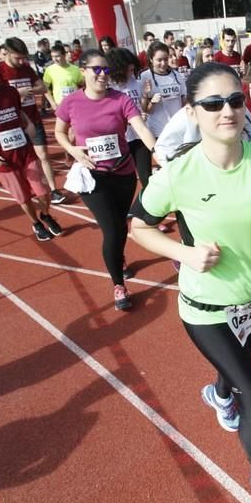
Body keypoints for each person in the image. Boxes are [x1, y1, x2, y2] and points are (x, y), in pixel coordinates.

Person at [129, 61, 251, 503]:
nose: (228, 111)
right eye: (214, 103)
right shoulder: (178, 173)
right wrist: (182, 253)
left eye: (236, 100)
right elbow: (138, 226)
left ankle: (220, 393)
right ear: (192, 112)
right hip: (207, 310)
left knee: (238, 369)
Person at [55, 49, 157, 310]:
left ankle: (118, 256)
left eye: (106, 70)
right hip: (92, 177)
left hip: (123, 173)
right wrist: (73, 149)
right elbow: (59, 132)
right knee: (111, 229)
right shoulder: (72, 102)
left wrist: (158, 153)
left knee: (121, 227)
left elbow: (141, 128)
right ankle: (118, 285)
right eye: (96, 69)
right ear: (84, 71)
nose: (102, 75)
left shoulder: (120, 99)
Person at [0, 49, 62, 242]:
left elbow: (18, 112)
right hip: (2, 159)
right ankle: (36, 223)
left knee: (43, 192)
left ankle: (46, 214)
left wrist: (29, 124)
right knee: (23, 198)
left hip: (25, 152)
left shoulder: (9, 92)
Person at [0, 37, 64, 204]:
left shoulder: (26, 69)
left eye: (23, 58)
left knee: (43, 155)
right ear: (7, 53)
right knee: (21, 161)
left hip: (33, 118)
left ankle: (53, 189)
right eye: (17, 58)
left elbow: (42, 87)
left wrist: (31, 90)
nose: (21, 61)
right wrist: (16, 94)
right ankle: (28, 190)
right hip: (13, 122)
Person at [106, 47, 153, 191]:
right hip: (121, 140)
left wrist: (144, 106)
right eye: (128, 70)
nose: (131, 73)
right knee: (126, 179)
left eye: (133, 70)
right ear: (118, 69)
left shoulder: (135, 82)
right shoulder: (109, 87)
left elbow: (142, 106)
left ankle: (146, 209)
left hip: (139, 137)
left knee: (146, 177)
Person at [140, 41, 186, 140]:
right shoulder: (145, 77)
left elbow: (184, 101)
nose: (163, 63)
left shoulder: (176, 75)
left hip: (177, 128)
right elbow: (144, 110)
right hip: (158, 131)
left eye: (166, 59)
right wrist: (151, 101)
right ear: (151, 59)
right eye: (159, 60)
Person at [42, 43, 84, 112]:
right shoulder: (50, 70)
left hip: (75, 104)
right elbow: (45, 88)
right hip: (60, 106)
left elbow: (82, 85)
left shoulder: (75, 69)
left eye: (57, 56)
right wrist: (52, 103)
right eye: (53, 57)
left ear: (64, 55)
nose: (55, 59)